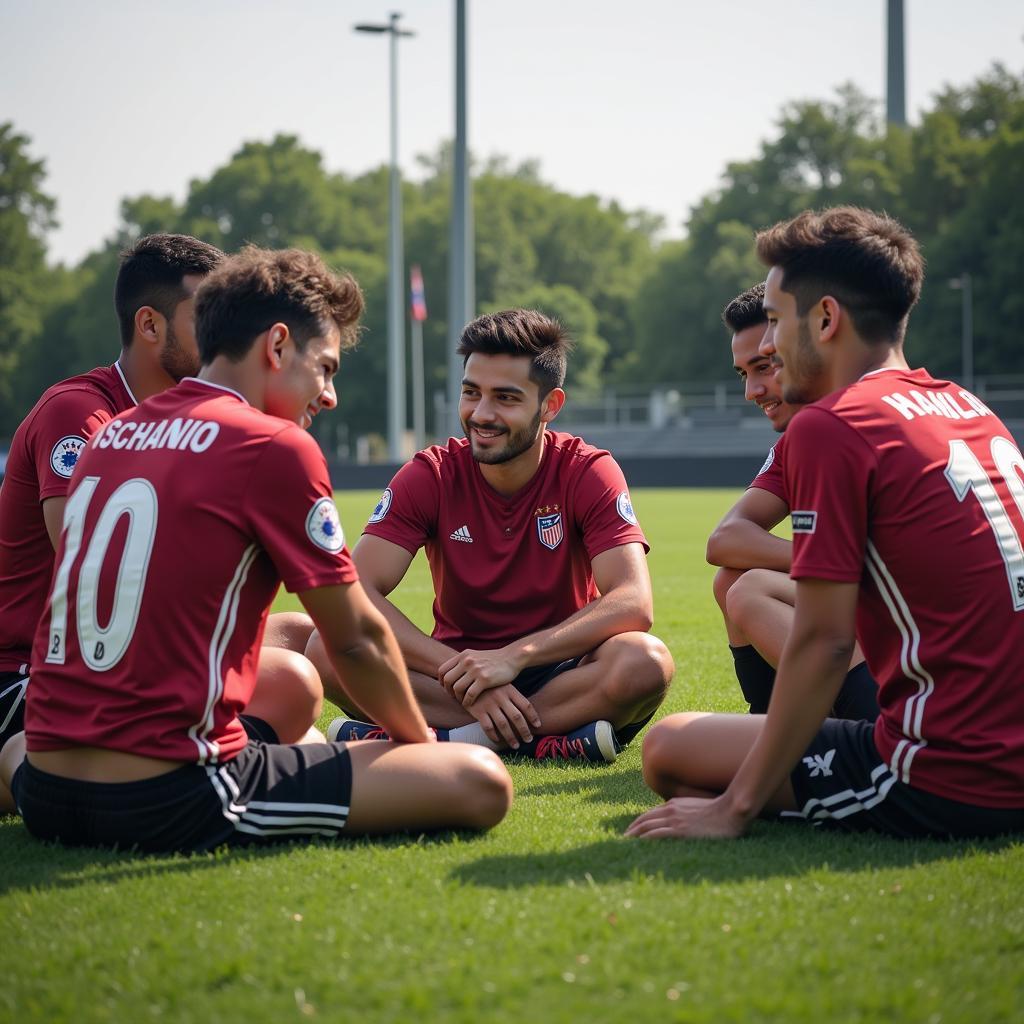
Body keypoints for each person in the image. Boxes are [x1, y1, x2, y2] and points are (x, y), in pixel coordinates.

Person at [1, 246, 511, 853]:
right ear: (275, 347)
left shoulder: (111, 432)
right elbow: (354, 640)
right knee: (478, 781)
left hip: (43, 780)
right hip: (162, 793)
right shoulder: (270, 445)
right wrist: (418, 751)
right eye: (324, 368)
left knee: (295, 685)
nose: (329, 395)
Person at [629, 206, 1024, 840]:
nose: (770, 347)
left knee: (668, 748)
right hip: (1002, 742)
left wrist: (732, 809)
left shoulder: (833, 425)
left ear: (826, 319)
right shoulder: (968, 405)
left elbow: (825, 642)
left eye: (778, 323)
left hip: (953, 773)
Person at [0, 235, 320, 815]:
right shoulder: (82, 411)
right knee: (294, 684)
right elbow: (96, 570)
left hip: (121, 658)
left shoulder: (190, 417)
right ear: (149, 326)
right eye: (207, 315)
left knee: (298, 633)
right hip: (36, 672)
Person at [315, 309, 674, 763]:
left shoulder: (587, 469)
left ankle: (450, 741)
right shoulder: (431, 473)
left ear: (551, 405)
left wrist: (515, 657)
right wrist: (465, 677)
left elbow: (633, 601)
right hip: (449, 675)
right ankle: (543, 739)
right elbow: (356, 590)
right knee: (323, 649)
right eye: (471, 393)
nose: (481, 414)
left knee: (645, 662)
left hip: (560, 670)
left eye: (505, 397)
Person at [706, 283, 878, 720]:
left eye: (766, 365)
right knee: (732, 579)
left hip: (926, 662)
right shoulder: (803, 436)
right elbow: (725, 540)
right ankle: (767, 717)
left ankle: (846, 730)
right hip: (908, 624)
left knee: (749, 588)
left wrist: (841, 562)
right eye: (744, 373)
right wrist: (827, 558)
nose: (753, 391)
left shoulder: (851, 419)